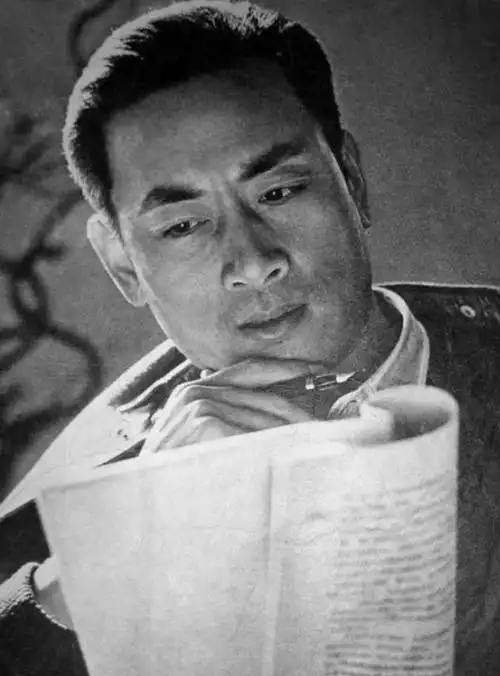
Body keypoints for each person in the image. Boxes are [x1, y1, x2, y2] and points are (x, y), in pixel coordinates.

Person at [1, 1, 500, 673]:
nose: (253, 261)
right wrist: (122, 551)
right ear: (123, 265)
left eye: (279, 192)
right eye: (182, 225)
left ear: (352, 181)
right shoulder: (81, 489)